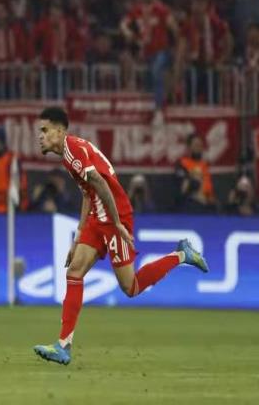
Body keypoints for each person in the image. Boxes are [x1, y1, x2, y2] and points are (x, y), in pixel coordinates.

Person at [33, 107, 209, 365]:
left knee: (131, 287)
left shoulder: (73, 151)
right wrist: (78, 237)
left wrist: (117, 223)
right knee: (74, 272)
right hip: (98, 215)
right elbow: (88, 193)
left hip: (115, 214)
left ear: (60, 131)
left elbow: (101, 184)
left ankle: (182, 254)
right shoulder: (69, 155)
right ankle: (63, 346)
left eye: (45, 130)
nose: (40, 136)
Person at [175, 133, 217, 212]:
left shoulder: (205, 164)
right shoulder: (182, 163)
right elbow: (182, 188)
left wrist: (210, 198)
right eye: (196, 145)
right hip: (191, 202)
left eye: (200, 145)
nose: (199, 148)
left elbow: (209, 186)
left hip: (208, 202)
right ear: (189, 147)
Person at [0, 127, 28, 213]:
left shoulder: (11, 159)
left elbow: (21, 183)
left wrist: (18, 206)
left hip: (11, 209)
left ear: (2, 141)